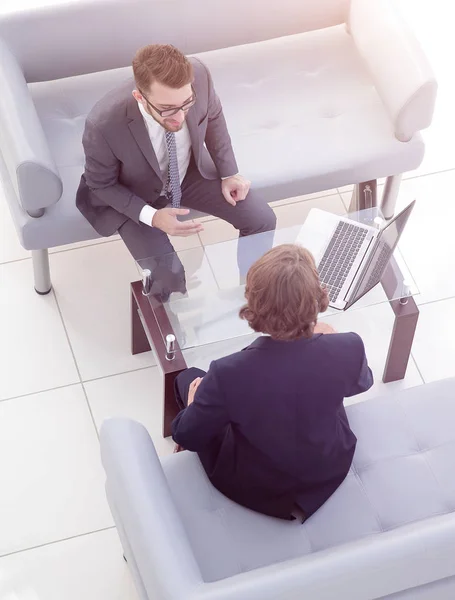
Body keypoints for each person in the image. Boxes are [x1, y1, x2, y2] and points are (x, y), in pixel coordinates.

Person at [172, 244, 373, 521]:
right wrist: (326, 340)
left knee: (187, 377)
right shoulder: (347, 346)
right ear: (317, 298)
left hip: (255, 487)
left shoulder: (227, 373)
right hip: (327, 468)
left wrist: (194, 403)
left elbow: (187, 436)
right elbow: (361, 384)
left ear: (254, 305)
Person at [76, 44, 276, 295]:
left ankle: (255, 300)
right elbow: (100, 185)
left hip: (187, 175)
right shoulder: (103, 124)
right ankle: (175, 326)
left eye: (186, 104)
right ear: (140, 97)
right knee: (167, 276)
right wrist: (152, 216)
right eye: (168, 109)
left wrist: (229, 173)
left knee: (262, 219)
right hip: (133, 195)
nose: (180, 118)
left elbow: (212, 116)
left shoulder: (200, 76)